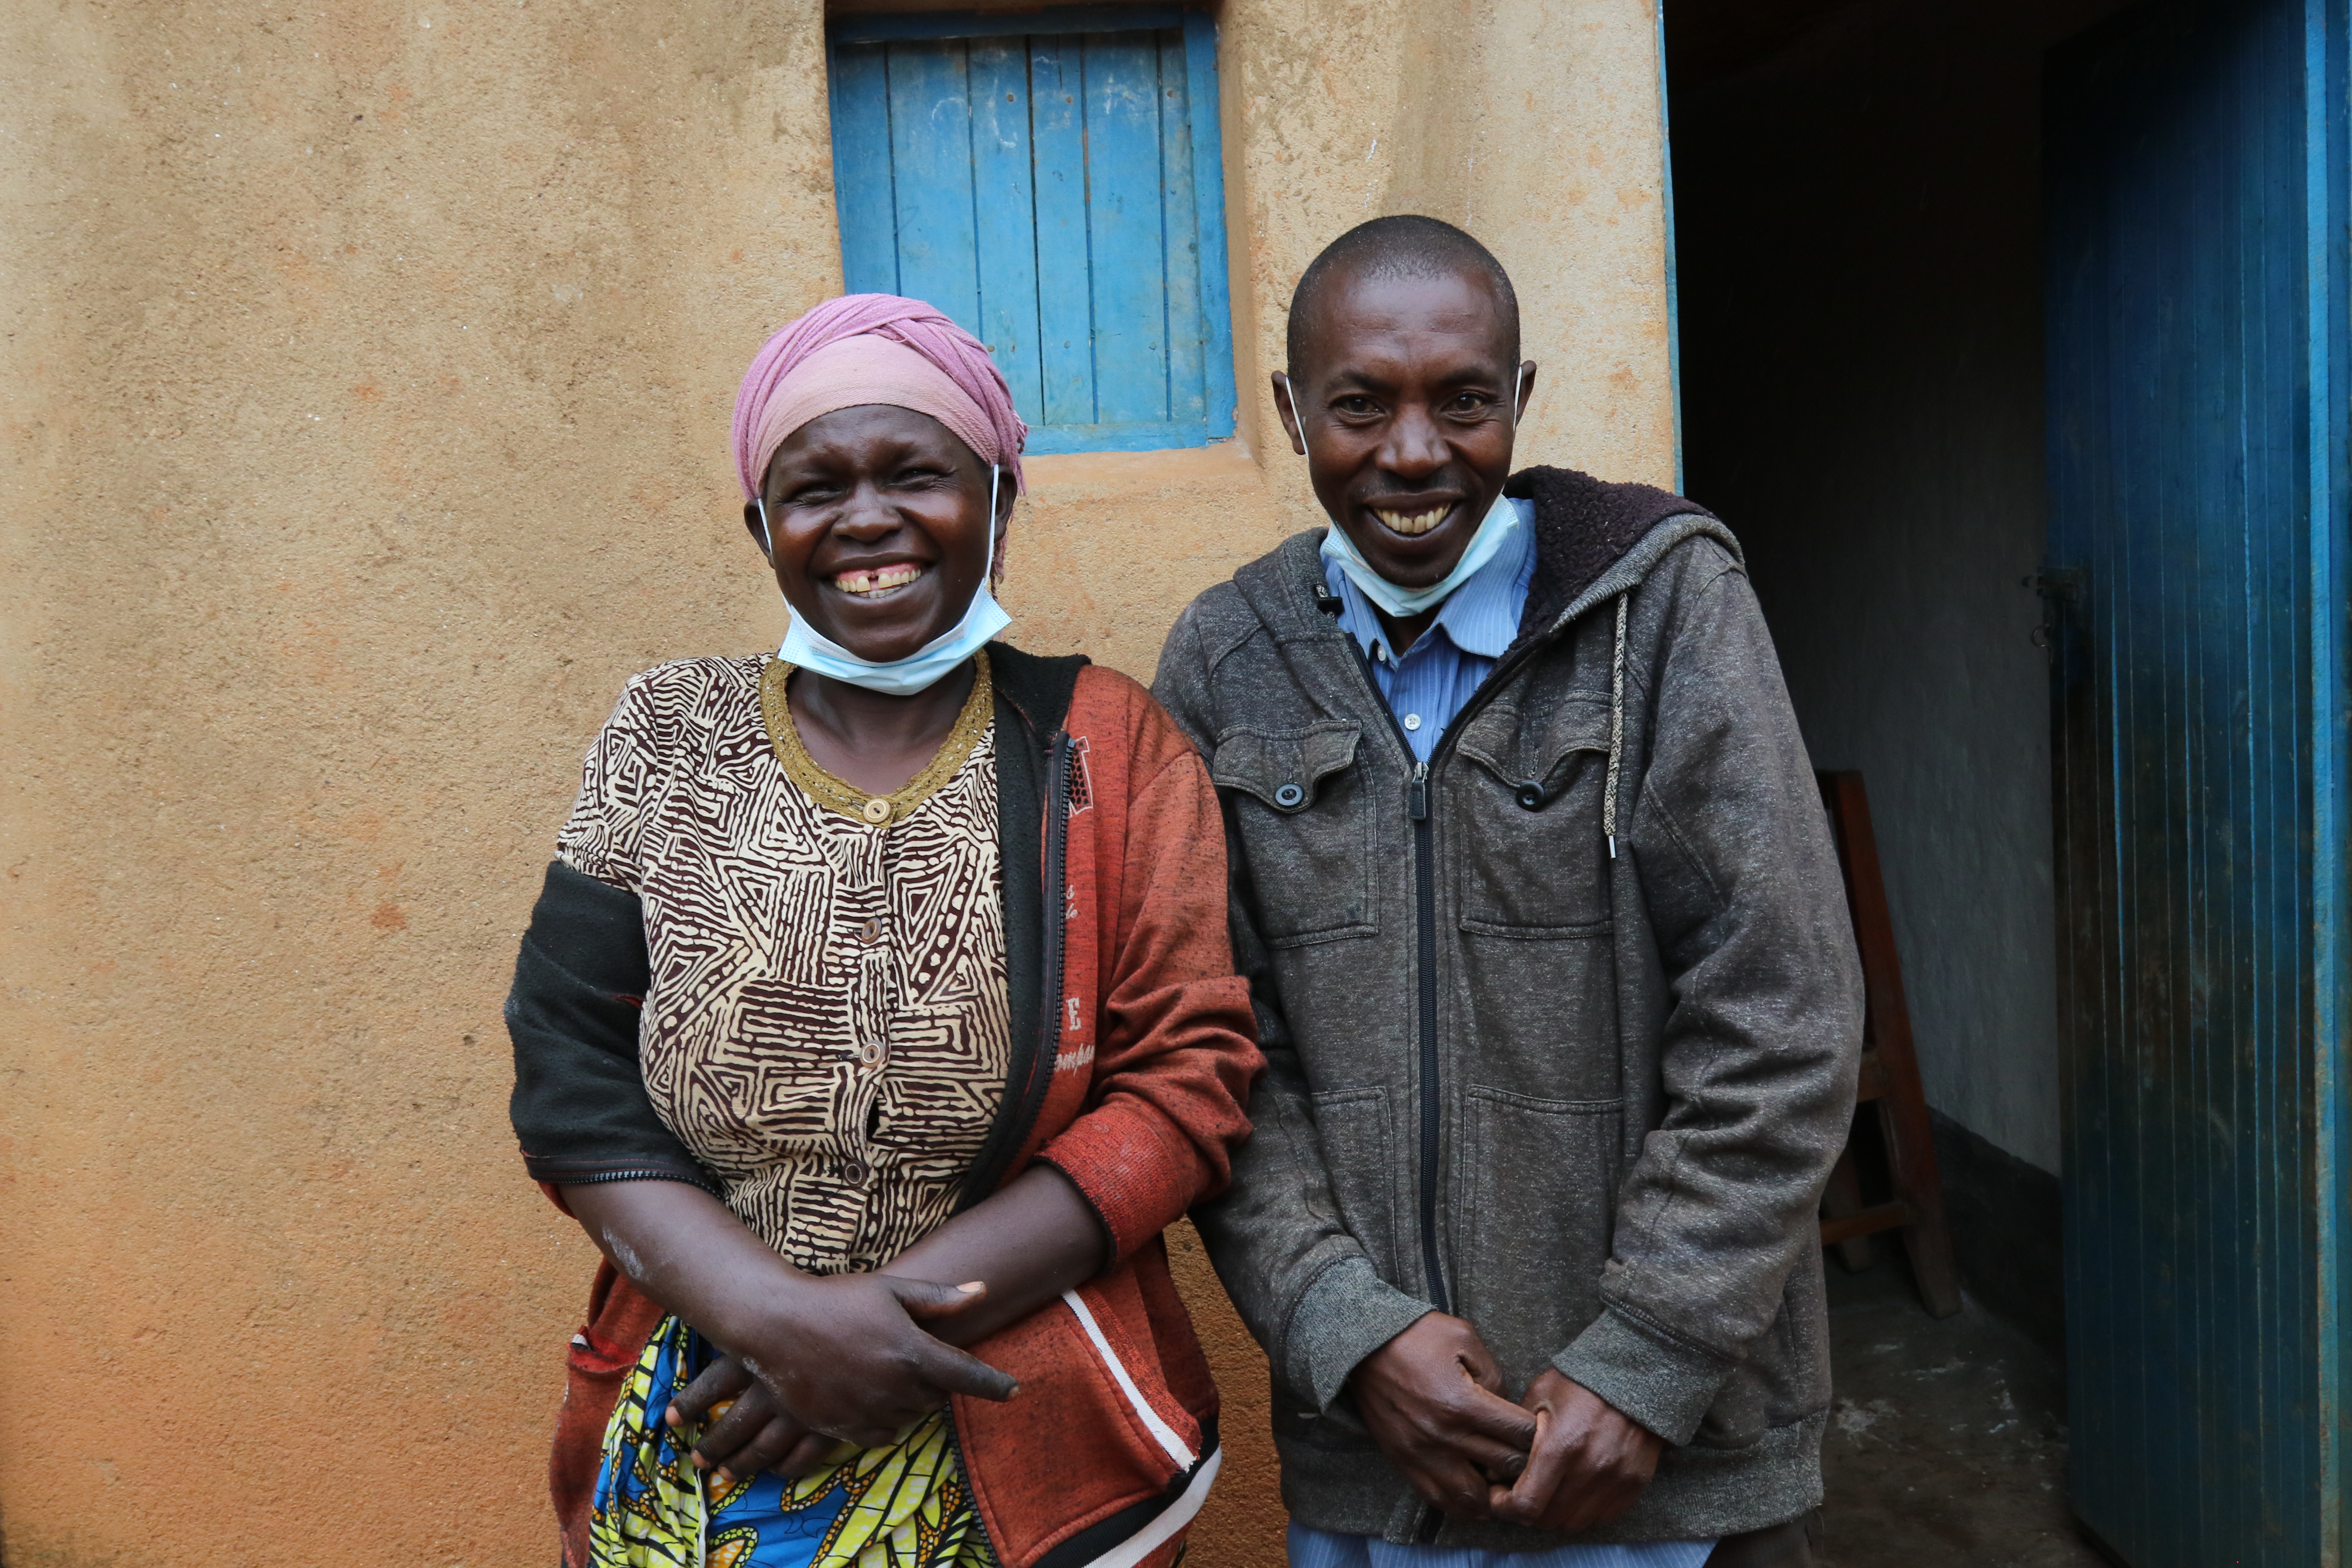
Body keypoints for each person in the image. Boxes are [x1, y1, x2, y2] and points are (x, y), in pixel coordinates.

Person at [506, 294, 1262, 1568]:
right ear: (763, 526)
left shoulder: (1108, 746)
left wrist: (882, 1332)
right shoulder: (666, 736)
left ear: (1000, 502)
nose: (867, 521)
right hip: (717, 1415)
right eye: (817, 488)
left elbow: (1189, 1080)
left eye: (918, 475)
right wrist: (775, 1324)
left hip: (1024, 1418)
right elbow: (568, 1066)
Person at [1151, 216, 1862, 1568]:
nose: (1414, 456)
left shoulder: (1667, 616)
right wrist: (1346, 1332)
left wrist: (1646, 1360)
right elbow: (1218, 1053)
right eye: (1360, 405)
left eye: (1464, 402)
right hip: (1377, 1461)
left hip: (1661, 1459)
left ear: (1521, 401)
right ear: (1292, 408)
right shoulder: (1226, 660)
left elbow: (1785, 1016)